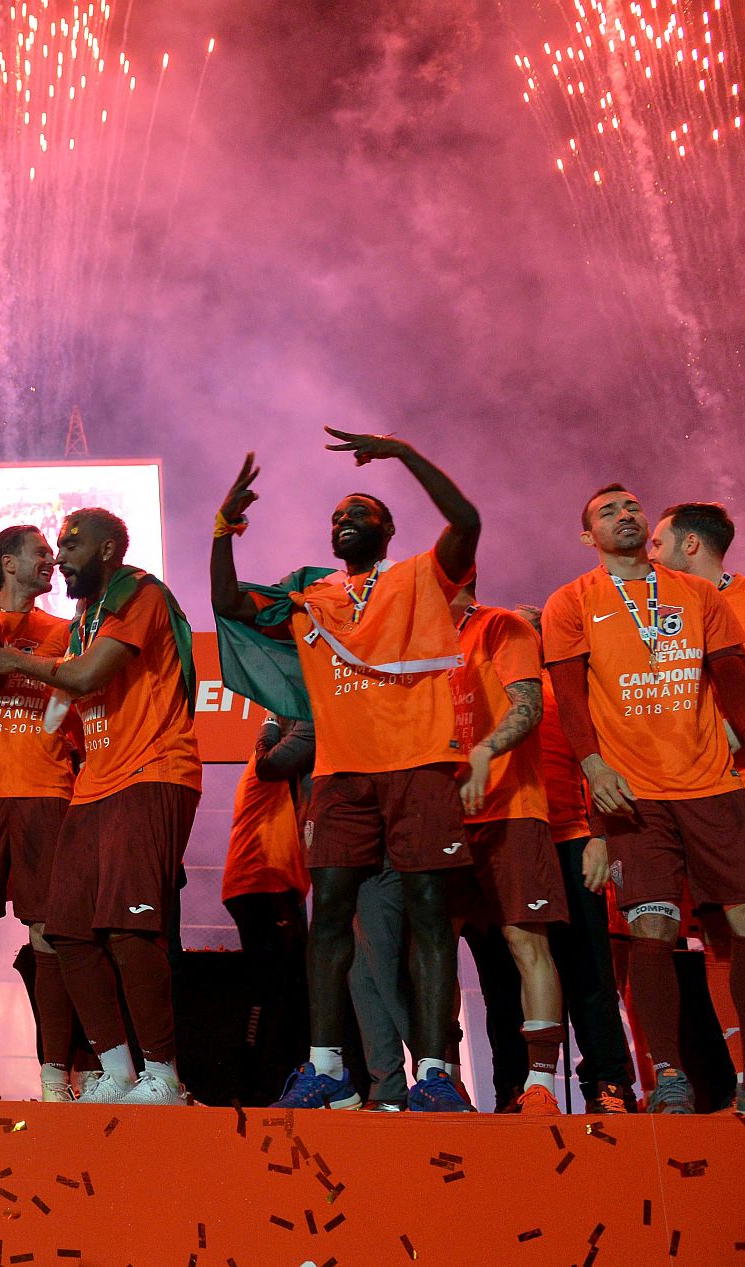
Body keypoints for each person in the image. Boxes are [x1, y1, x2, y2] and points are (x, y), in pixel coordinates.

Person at [211, 430, 482, 1112]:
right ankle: (327, 1067)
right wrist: (223, 530)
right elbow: (231, 604)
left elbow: (467, 522)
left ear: (387, 530)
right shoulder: (310, 593)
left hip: (420, 762)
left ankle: (436, 1075)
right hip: (339, 773)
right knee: (329, 915)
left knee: (429, 917)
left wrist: (404, 453)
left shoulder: (419, 577)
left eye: (360, 512)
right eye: (336, 516)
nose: (345, 520)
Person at [543, 484, 745, 1113]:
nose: (625, 515)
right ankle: (670, 1078)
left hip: (714, 783)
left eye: (632, 507)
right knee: (652, 930)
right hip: (635, 795)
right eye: (608, 511)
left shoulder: (699, 594)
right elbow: (570, 699)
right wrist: (593, 765)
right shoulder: (571, 602)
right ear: (588, 536)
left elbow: (734, 680)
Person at [0, 507, 201, 1105]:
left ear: (106, 550)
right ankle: (118, 1071)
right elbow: (67, 699)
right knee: (67, 930)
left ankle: (165, 1076)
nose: (60, 556)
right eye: (55, 546)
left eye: (71, 545)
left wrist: (16, 661)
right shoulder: (85, 620)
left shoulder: (142, 595)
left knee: (128, 929)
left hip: (152, 772)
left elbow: (85, 677)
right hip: (96, 782)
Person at [0, 525, 78, 1101]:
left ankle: (54, 1077)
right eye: (40, 552)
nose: (51, 560)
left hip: (46, 789)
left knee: (49, 935)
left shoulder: (65, 630)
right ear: (7, 563)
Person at [651, 502, 745, 952]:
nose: (650, 554)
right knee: (723, 941)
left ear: (690, 544)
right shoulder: (654, 620)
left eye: (658, 543)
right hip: (705, 796)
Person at [447, 582, 568, 1113]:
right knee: (435, 953)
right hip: (446, 819)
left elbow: (528, 706)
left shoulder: (501, 626)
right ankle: (444, 1079)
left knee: (526, 944)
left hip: (511, 809)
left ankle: (540, 1085)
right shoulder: (416, 640)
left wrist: (484, 750)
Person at [517, 603, 638, 1112]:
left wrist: (601, 837)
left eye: (528, 630)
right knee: (519, 971)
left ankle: (608, 1082)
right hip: (516, 839)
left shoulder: (568, 691)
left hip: (572, 837)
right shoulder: (498, 690)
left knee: (589, 968)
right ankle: (519, 1086)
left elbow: (606, 764)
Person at [221, 717, 312, 1106]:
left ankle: (259, 1083)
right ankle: (256, 1086)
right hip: (264, 884)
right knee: (274, 991)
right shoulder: (270, 764)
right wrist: (270, 726)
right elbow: (269, 758)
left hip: (264, 885)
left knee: (276, 989)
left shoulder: (277, 770)